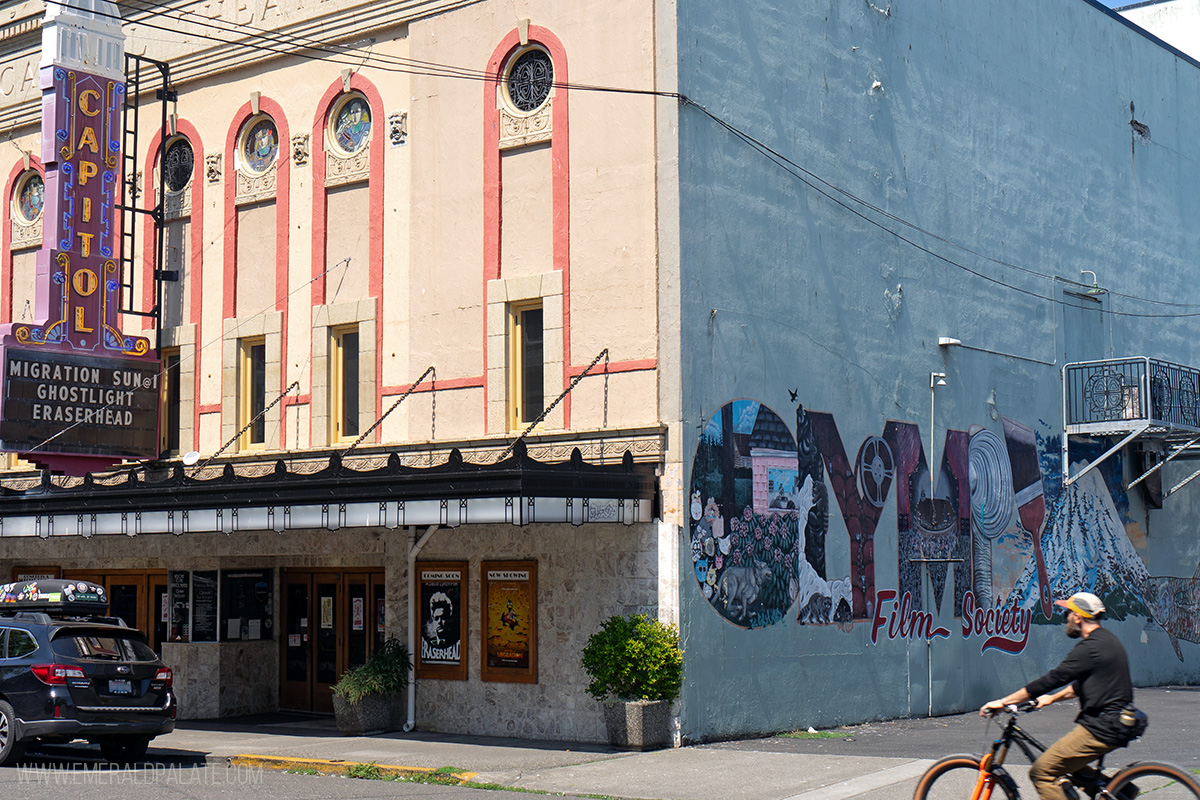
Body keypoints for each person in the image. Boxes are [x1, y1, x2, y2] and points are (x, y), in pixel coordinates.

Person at [979, 592, 1133, 800]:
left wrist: (1004, 702)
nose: (1065, 616)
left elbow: (1051, 680)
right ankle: (1118, 791)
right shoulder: (1108, 641)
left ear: (1078, 617)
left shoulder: (1089, 649)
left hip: (1101, 727)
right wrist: (1051, 699)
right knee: (1070, 766)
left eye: (1068, 612)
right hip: (1118, 723)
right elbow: (1081, 686)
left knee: (1042, 773)